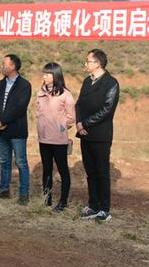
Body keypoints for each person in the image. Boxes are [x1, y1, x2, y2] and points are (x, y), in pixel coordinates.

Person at [76, 49, 119, 222]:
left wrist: (86, 123)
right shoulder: (87, 81)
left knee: (102, 172)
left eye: (88, 61)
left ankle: (104, 208)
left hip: (100, 134)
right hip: (84, 134)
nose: (85, 64)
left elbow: (107, 110)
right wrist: (79, 123)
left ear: (98, 64)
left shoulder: (111, 83)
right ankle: (92, 205)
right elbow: (78, 104)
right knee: (90, 171)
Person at [0, 54, 32, 205]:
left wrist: (4, 120)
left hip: (17, 131)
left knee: (21, 162)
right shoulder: (1, 83)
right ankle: (4, 189)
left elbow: (20, 107)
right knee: (4, 161)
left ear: (13, 66)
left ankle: (24, 193)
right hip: (1, 130)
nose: (1, 66)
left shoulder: (24, 85)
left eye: (4, 64)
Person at [36, 62, 75, 211]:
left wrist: (60, 127)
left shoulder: (65, 95)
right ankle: (47, 200)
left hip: (58, 140)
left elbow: (71, 117)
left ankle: (63, 202)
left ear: (56, 75)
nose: (44, 76)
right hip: (43, 138)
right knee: (46, 169)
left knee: (63, 170)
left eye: (47, 74)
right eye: (44, 74)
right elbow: (38, 110)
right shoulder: (40, 92)